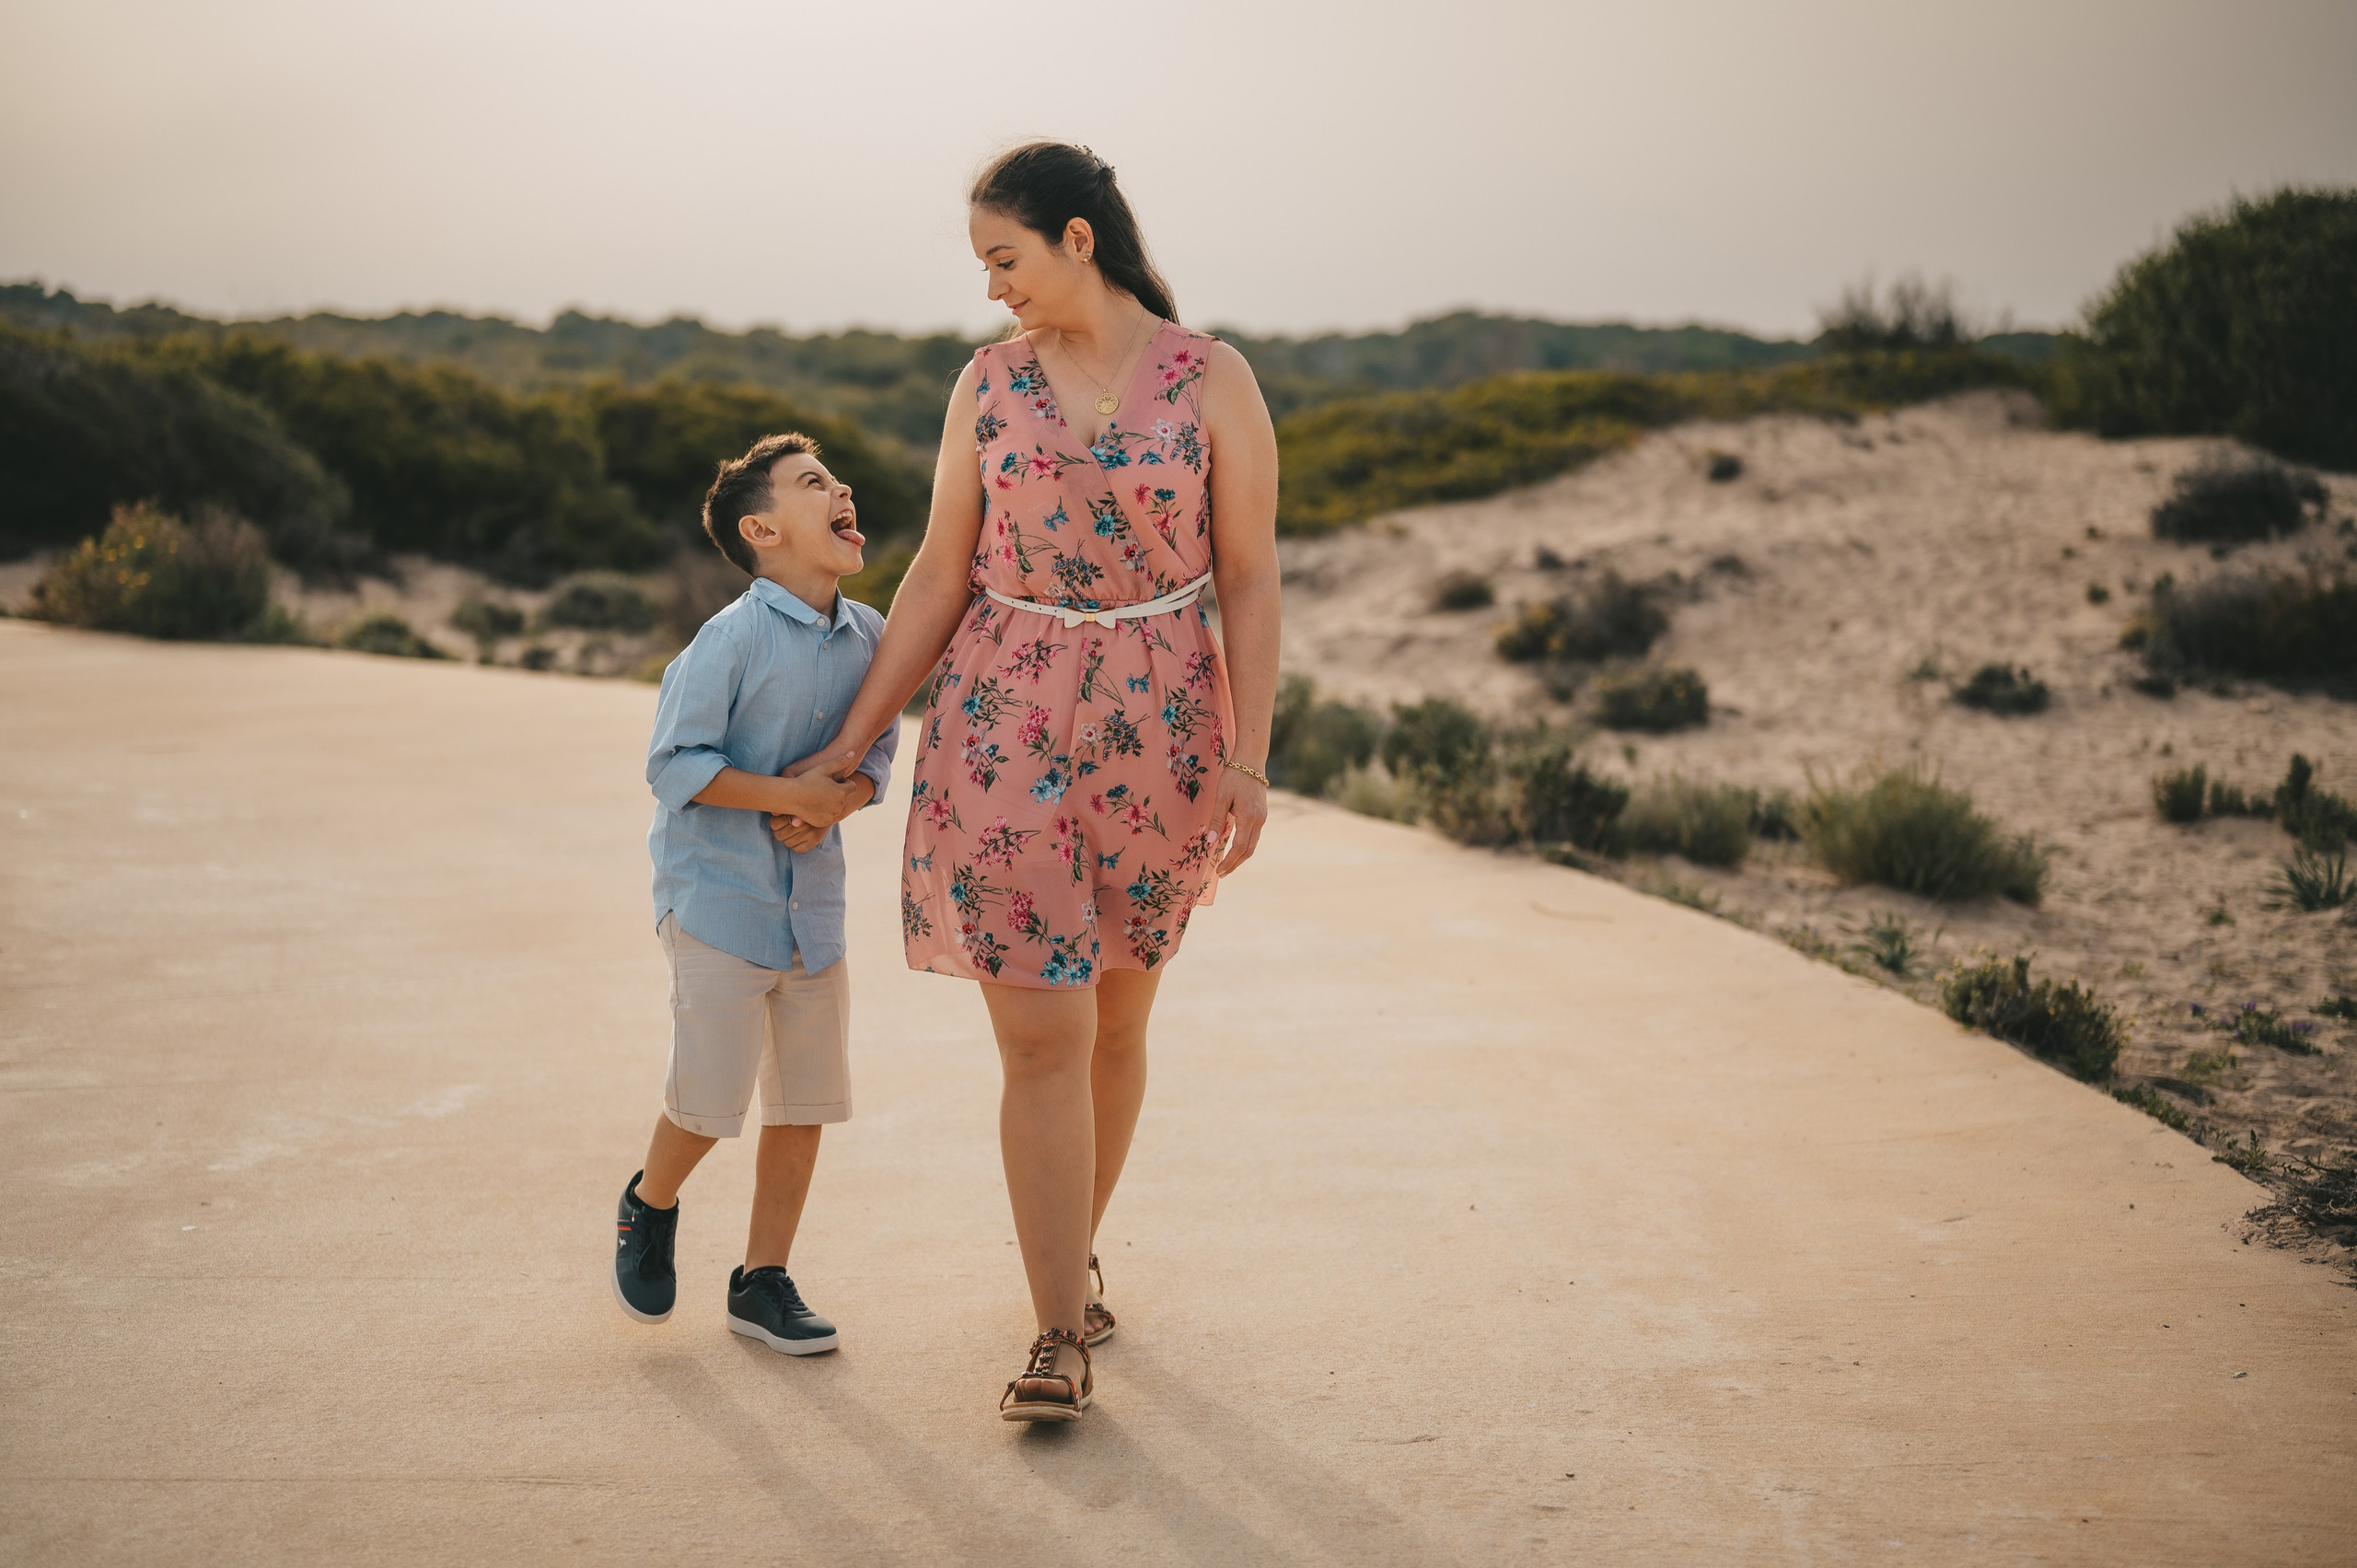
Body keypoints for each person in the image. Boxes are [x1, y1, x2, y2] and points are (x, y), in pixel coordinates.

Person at [779, 142, 1281, 1421]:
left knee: (1116, 1024)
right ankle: (1057, 1329)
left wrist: (1249, 757)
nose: (992, 286)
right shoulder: (987, 384)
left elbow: (1248, 575)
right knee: (1044, 1035)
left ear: (1077, 238)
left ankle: (1074, 1253)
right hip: (1002, 720)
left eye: (1003, 258)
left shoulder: (1212, 378)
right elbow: (938, 571)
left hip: (1163, 731)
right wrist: (853, 740)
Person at [610, 433, 897, 1358]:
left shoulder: (872, 634)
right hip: (717, 901)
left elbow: (880, 746)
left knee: (805, 1102)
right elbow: (673, 764)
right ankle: (649, 1201)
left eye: (837, 479)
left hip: (813, 910)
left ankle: (761, 1281)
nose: (841, 489)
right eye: (813, 482)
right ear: (762, 530)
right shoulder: (730, 638)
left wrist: (839, 800)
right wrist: (789, 795)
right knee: (709, 1095)